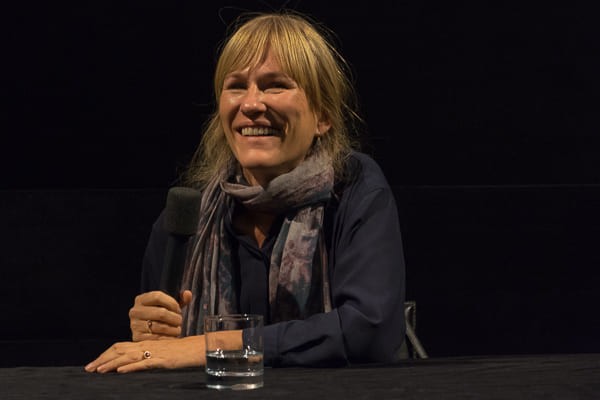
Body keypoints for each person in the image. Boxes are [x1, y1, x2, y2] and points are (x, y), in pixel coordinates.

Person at [85, 10, 406, 374]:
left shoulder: (354, 187)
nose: (251, 105)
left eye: (275, 85)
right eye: (236, 86)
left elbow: (369, 330)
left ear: (323, 116)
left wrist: (212, 346)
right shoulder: (190, 215)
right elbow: (162, 351)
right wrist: (152, 332)